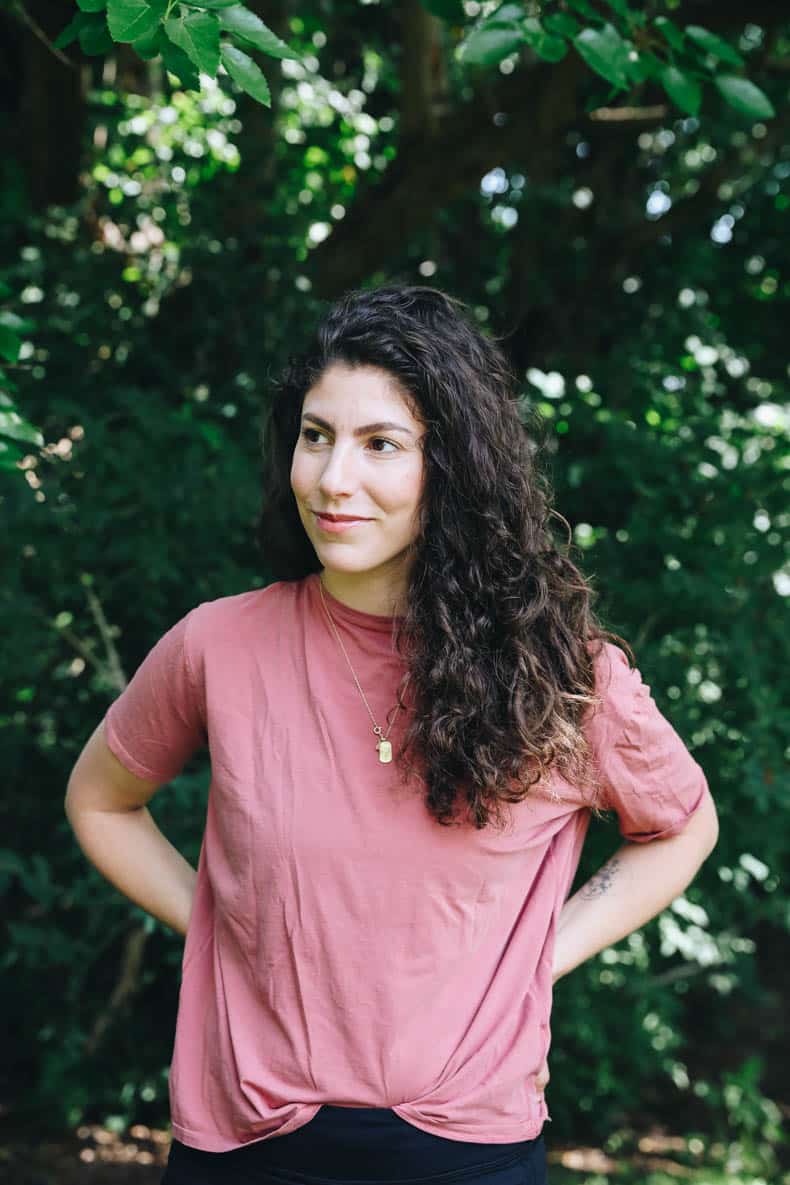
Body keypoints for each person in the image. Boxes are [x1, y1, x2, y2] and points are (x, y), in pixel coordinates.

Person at [65, 282, 719, 1185]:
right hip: (245, 1146)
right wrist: (220, 922)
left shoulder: (560, 669)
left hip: (468, 1150)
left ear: (451, 466)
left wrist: (541, 955)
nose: (334, 479)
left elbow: (683, 822)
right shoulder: (218, 644)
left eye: (381, 444)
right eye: (316, 435)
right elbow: (101, 800)